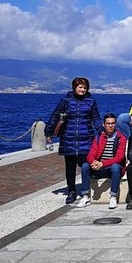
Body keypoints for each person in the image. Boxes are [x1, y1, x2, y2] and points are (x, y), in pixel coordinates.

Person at [45, 77, 104, 205]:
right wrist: (48, 132)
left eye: (84, 87)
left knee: (85, 164)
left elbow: (96, 119)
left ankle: (85, 189)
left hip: (86, 138)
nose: (82, 90)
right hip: (68, 138)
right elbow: (55, 116)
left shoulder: (91, 102)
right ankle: (71, 191)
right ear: (74, 88)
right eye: (80, 87)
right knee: (70, 166)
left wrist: (102, 132)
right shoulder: (65, 101)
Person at [76, 113, 126, 209]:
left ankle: (113, 196)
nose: (110, 126)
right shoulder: (99, 137)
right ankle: (85, 196)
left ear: (115, 124)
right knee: (85, 166)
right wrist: (93, 163)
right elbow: (91, 154)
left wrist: (102, 164)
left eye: (112, 123)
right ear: (104, 125)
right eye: (108, 123)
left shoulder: (121, 138)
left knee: (116, 167)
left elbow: (119, 157)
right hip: (99, 166)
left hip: (111, 168)